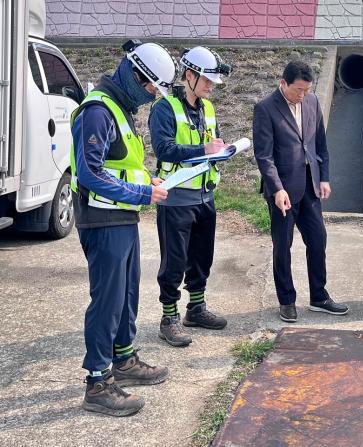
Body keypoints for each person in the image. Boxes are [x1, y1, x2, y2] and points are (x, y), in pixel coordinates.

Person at [70, 40, 177, 416]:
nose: (151, 95)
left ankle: (124, 360)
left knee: (127, 294)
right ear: (135, 75)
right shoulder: (98, 111)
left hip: (123, 216)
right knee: (108, 300)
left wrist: (146, 181)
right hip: (102, 220)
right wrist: (142, 192)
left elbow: (120, 166)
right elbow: (90, 173)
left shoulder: (120, 109)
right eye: (150, 87)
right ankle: (98, 383)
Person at [253, 60, 349, 323]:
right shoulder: (265, 108)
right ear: (283, 83)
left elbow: (319, 144)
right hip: (282, 191)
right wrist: (277, 189)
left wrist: (324, 177)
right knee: (282, 245)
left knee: (318, 239)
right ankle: (286, 301)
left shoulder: (312, 102)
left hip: (310, 185)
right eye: (298, 90)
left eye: (307, 90)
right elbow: (264, 156)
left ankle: (319, 296)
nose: (303, 95)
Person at [149, 46, 231, 347]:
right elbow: (164, 149)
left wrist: (222, 150)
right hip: (176, 197)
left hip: (205, 195)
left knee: (201, 258)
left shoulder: (207, 108)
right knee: (174, 261)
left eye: (213, 81)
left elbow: (211, 142)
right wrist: (203, 150)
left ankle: (195, 309)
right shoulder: (164, 108)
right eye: (207, 80)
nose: (211, 86)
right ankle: (168, 318)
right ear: (189, 75)